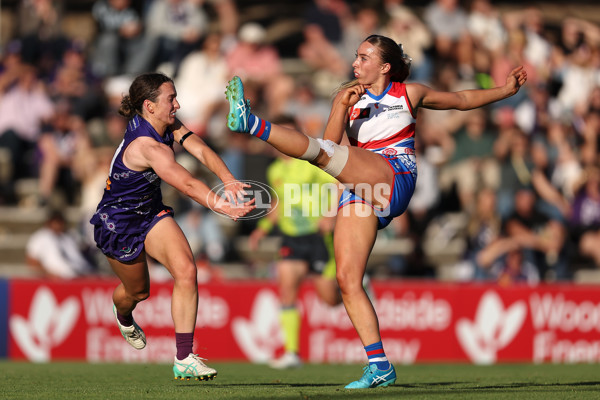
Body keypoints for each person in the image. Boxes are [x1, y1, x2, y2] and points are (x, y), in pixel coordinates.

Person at [225, 34, 527, 389]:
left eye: (364, 57)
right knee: (348, 280)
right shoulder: (349, 98)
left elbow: (461, 99)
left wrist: (505, 91)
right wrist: (339, 106)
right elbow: (329, 147)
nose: (356, 62)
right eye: (356, 56)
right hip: (359, 187)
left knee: (324, 155)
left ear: (385, 66)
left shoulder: (408, 93)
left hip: (394, 174)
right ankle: (379, 364)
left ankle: (251, 123)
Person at [90, 72, 255, 381]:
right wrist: (221, 205)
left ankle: (184, 358)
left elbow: (202, 150)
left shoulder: (167, 125)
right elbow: (188, 184)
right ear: (149, 106)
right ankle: (123, 314)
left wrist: (228, 180)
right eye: (171, 99)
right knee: (138, 292)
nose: (177, 104)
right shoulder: (147, 147)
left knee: (186, 270)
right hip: (118, 225)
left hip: (151, 214)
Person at [248, 115, 341, 369]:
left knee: (330, 299)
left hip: (318, 237)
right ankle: (292, 353)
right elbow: (279, 202)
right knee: (287, 287)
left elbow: (338, 185)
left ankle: (359, 285)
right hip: (291, 238)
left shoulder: (311, 163)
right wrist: (262, 229)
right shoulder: (275, 169)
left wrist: (330, 215)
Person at [26, 209, 95, 279]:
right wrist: (49, 274)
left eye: (61, 222)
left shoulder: (70, 236)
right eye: (56, 222)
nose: (59, 225)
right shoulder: (40, 237)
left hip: (81, 275)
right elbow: (32, 262)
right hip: (57, 279)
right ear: (49, 222)